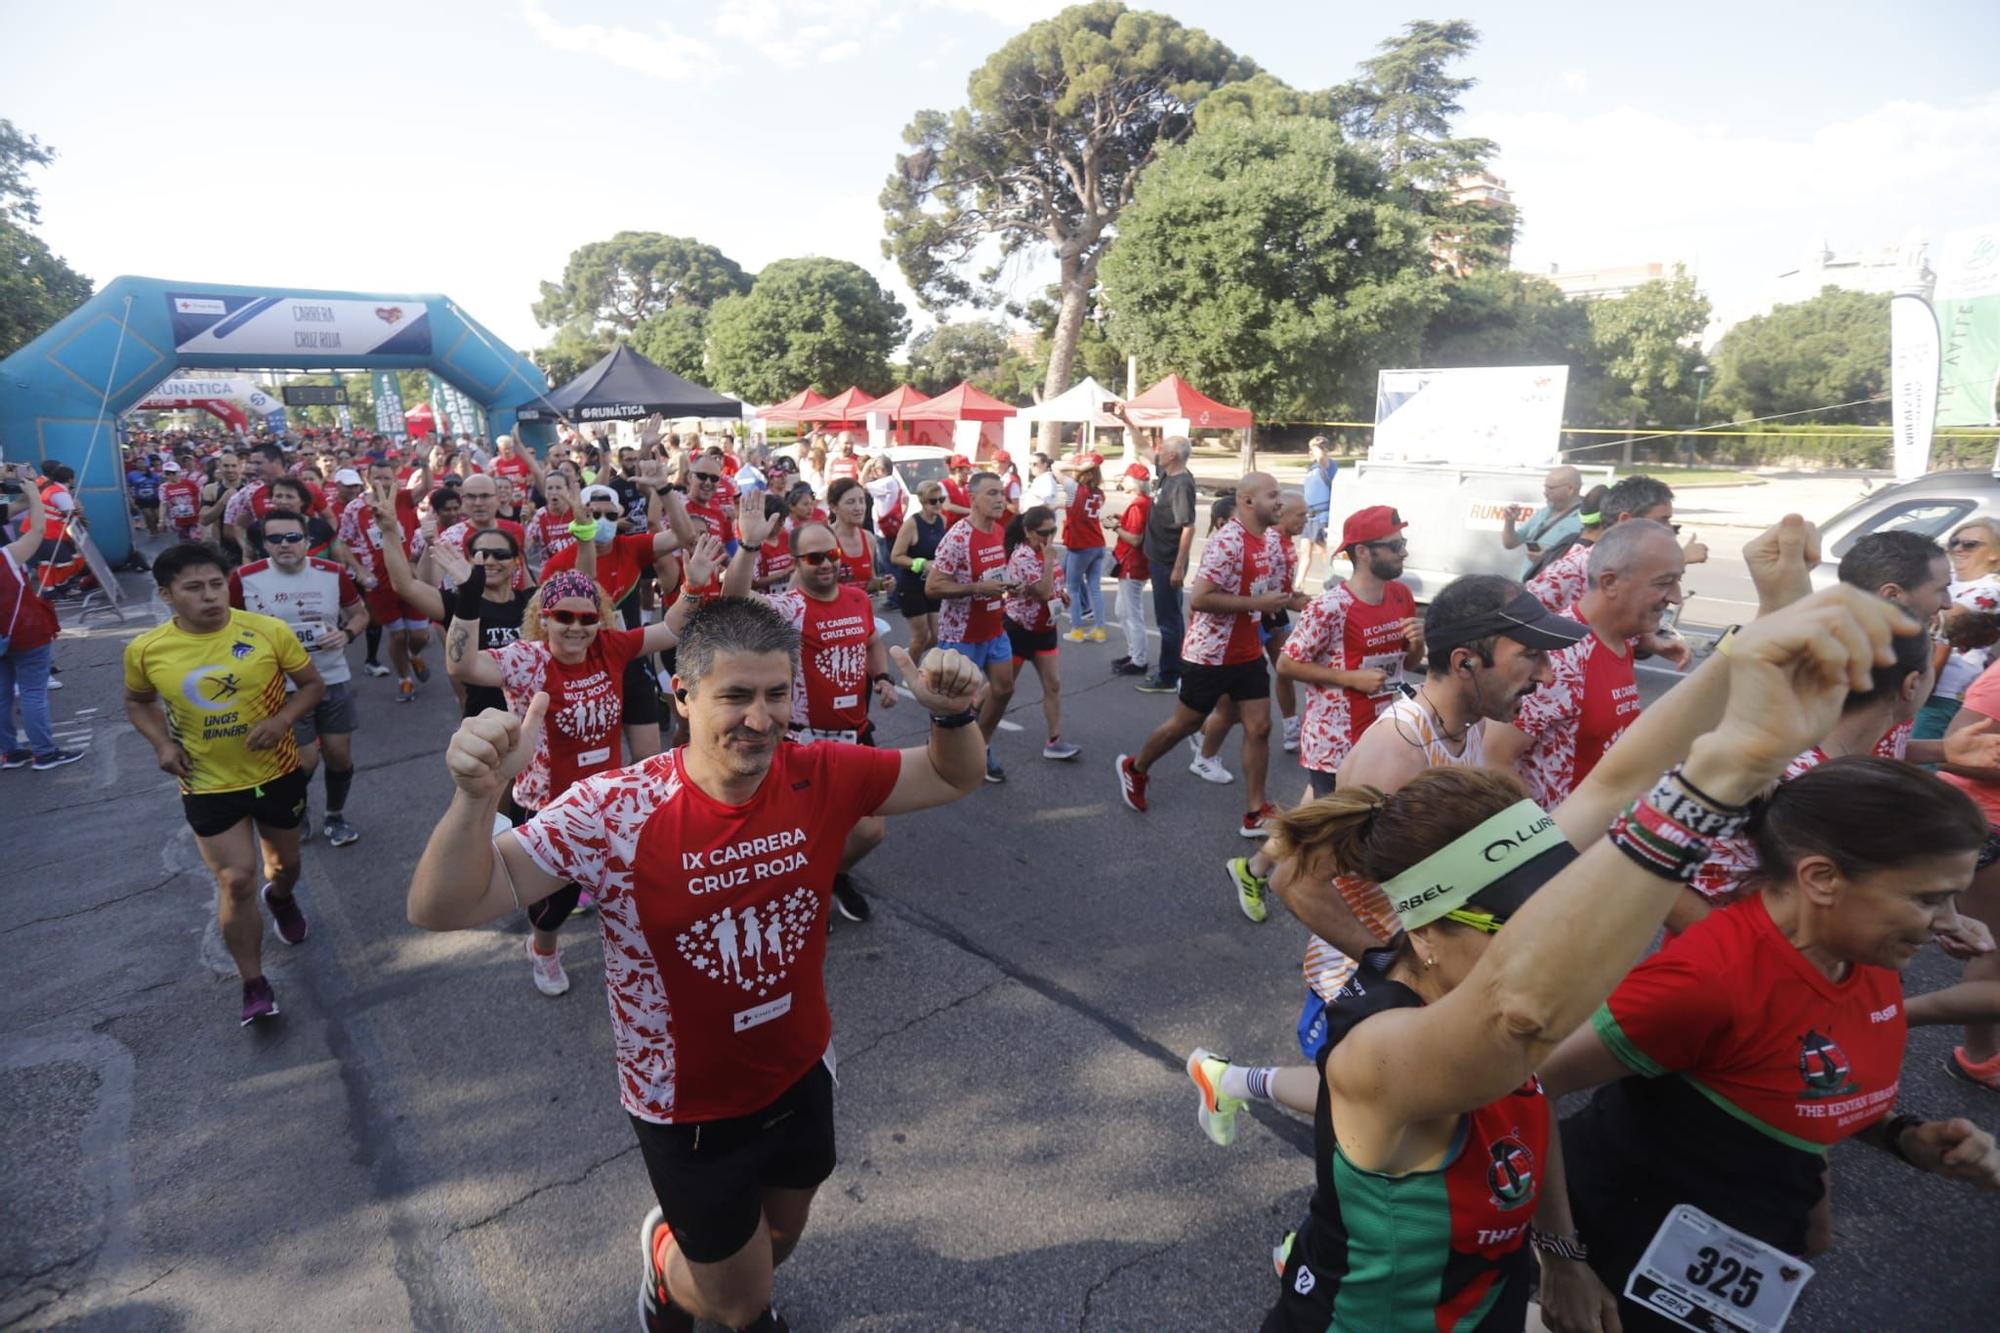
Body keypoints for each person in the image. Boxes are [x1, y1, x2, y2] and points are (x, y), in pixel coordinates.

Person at [1178, 576, 1919, 1331]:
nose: (1551, 940)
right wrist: (1724, 772)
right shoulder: (1381, 1048)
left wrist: (1742, 649)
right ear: (1421, 928)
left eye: (1553, 909)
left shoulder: (1464, 946)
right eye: (1514, 926)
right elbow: (1523, 1013)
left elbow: (1619, 781)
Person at [406, 601, 984, 1332]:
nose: (762, 717)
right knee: (740, 1303)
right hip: (687, 1105)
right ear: (682, 696)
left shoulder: (820, 770)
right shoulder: (614, 808)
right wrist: (476, 795)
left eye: (777, 693)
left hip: (802, 1067)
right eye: (735, 696)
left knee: (780, 1239)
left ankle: (708, 1266)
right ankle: (666, 1262)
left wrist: (955, 716)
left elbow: (947, 775)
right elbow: (441, 906)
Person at [1535, 756, 2000, 1333]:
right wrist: (1562, 1259)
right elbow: (1527, 1087)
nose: (1947, 923)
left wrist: (1906, 1138)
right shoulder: (1708, 983)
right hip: (1621, 1239)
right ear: (1822, 879)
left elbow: (1795, 1081)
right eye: (1930, 899)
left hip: (1751, 1241)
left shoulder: (1863, 952)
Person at [442, 554, 708, 997]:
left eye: (587, 618)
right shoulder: (528, 659)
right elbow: (463, 667)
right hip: (548, 805)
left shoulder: (611, 647)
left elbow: (671, 629)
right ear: (543, 620)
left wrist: (693, 588)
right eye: (563, 617)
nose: (576, 627)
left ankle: (639, 949)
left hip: (606, 799)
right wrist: (467, 602)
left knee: (634, 882)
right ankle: (543, 948)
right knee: (555, 902)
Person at [123, 543, 327, 1026]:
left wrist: (282, 721)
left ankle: (280, 899)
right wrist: (161, 744)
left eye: (216, 584)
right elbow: (137, 702)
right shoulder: (147, 650)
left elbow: (313, 685)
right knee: (235, 880)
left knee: (285, 866)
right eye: (194, 588)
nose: (210, 597)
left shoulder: (267, 631)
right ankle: (253, 983)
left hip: (275, 773)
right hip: (206, 783)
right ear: (166, 594)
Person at [723, 507, 899, 925]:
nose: (827, 564)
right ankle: (795, 896)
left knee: (871, 830)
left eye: (832, 554)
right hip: (803, 740)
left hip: (856, 735)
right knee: (794, 832)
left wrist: (883, 678)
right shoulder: (788, 608)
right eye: (814, 558)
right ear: (795, 563)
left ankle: (833, 875)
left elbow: (872, 641)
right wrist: (749, 545)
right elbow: (732, 598)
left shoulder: (857, 598)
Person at [1116, 473, 1305, 836]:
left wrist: (1304, 602)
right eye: (1272, 496)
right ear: (1248, 501)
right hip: (1210, 654)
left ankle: (1254, 812)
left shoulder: (1266, 541)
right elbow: (1201, 597)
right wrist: (1256, 603)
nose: (1279, 502)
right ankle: (1135, 768)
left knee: (1260, 727)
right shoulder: (1227, 542)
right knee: (1184, 724)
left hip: (1247, 651)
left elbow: (1271, 593)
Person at [1486, 518, 1685, 807]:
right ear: (1610, 582)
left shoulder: (1622, 638)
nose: (1676, 598)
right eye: (1664, 583)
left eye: (1679, 580)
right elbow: (1493, 757)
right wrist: (1546, 839)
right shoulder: (1558, 656)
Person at [230, 509, 370, 846]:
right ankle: (299, 809)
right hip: (281, 687)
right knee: (304, 760)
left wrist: (346, 634)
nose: (285, 545)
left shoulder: (332, 573)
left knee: (339, 756)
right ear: (264, 544)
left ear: (307, 540)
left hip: (331, 676)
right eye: (275, 539)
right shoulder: (244, 578)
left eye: (292, 537)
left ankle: (335, 816)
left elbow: (360, 614)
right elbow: (227, 629)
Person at [369, 484, 533, 718]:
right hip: (486, 725)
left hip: (535, 721)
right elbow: (405, 585)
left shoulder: (530, 603)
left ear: (515, 562)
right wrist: (389, 531)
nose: (490, 561)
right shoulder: (460, 605)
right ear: (468, 559)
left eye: (501, 555)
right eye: (481, 554)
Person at [925, 471, 1018, 783]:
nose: (999, 499)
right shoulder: (958, 537)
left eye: (1001, 493)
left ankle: (981, 746)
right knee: (955, 705)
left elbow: (997, 576)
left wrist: (1009, 586)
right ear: (973, 498)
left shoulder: (1000, 531)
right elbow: (934, 587)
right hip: (960, 632)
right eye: (991, 493)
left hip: (994, 627)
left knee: (1004, 688)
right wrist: (978, 587)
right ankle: (940, 754)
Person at [1528, 475, 1705, 615]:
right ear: (1626, 521)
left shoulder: (1631, 567)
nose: (1668, 531)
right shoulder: (1574, 569)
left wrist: (1649, 641)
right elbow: (1515, 617)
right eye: (1662, 521)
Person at [0, 468, 81, 769]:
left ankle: (8, 752)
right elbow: (36, 531)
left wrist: (21, 498)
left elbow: (13, 509)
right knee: (33, 693)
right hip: (24, 632)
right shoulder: (6, 555)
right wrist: (33, 493)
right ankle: (44, 753)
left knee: (2, 695)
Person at [338, 458, 434, 699]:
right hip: (379, 582)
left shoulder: (403, 498)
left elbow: (427, 486)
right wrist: (359, 570)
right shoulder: (355, 508)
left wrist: (424, 463)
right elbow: (342, 543)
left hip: (410, 577)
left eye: (387, 478)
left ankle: (415, 656)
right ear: (368, 478)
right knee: (398, 635)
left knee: (420, 635)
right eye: (377, 478)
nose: (382, 482)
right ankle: (404, 679)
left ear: (395, 479)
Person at [1000, 504, 1081, 761]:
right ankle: (971, 715)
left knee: (1053, 684)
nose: (1048, 538)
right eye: (1042, 532)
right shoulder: (1022, 556)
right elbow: (1043, 591)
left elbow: (1053, 587)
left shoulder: (1047, 552)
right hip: (1019, 630)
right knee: (1002, 688)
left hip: (1045, 628)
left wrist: (1062, 595)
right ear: (1028, 532)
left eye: (1052, 531)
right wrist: (1048, 562)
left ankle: (1054, 740)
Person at [1925, 518, 2000, 743]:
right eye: (1954, 542)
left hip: (1946, 692)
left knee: (1922, 764)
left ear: (1994, 553)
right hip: (1920, 682)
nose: (1958, 548)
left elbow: (1940, 622)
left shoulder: (1992, 589)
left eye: (1970, 544)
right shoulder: (1948, 581)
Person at [1137, 435, 1198, 694]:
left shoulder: (1181, 484)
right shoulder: (1166, 471)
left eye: (1163, 449)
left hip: (1167, 561)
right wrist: (1127, 420)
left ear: (1173, 455)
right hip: (1158, 558)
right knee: (1169, 617)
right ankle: (1175, 667)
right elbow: (1141, 447)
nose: (1157, 452)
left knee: (1168, 620)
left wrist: (1177, 566)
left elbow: (1188, 527)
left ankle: (1169, 675)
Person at [889, 479, 947, 665]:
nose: (938, 504)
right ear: (922, 501)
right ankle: (910, 672)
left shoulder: (941, 520)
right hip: (911, 585)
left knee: (937, 636)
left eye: (941, 499)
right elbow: (896, 556)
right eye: (933, 501)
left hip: (932, 584)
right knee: (921, 636)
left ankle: (909, 655)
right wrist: (921, 564)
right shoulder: (912, 524)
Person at [1055, 452, 1108, 641]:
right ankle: (1100, 629)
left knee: (1073, 587)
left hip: (1080, 543)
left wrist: (1077, 467)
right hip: (1098, 542)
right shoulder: (1100, 494)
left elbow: (1055, 468)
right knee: (1095, 587)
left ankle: (1077, 629)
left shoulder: (1074, 488)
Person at [1501, 464, 1584, 579]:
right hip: (1527, 587)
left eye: (1550, 488)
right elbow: (1510, 544)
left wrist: (1548, 558)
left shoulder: (1583, 520)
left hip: (1553, 590)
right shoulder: (1543, 512)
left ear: (1570, 489)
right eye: (1545, 487)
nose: (1545, 493)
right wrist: (1509, 522)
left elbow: (1582, 564)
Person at [1110, 463, 1152, 678]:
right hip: (1137, 564)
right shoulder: (1146, 503)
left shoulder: (1137, 506)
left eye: (1125, 477)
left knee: (1132, 614)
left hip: (1131, 564)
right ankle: (1134, 653)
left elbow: (1135, 539)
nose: (1122, 481)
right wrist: (1122, 521)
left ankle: (1139, 659)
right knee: (1123, 611)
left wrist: (1116, 527)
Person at [825, 478, 879, 593]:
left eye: (861, 501)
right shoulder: (825, 538)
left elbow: (869, 581)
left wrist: (882, 584)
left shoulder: (869, 538)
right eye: (850, 502)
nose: (858, 508)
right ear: (834, 507)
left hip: (862, 609)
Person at [1299, 436, 1337, 584]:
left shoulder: (1328, 465)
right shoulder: (1312, 469)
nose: (1312, 453)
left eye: (1314, 450)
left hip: (1322, 517)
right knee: (1305, 550)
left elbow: (1321, 457)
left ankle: (1332, 580)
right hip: (1310, 517)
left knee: (1323, 552)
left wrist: (1314, 444)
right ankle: (1298, 584)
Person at [159, 460, 204, 543]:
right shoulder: (163, 487)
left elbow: (199, 499)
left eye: (173, 473)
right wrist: (161, 521)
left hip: (194, 519)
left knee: (196, 541)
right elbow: (163, 504)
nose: (171, 475)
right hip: (177, 520)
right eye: (168, 473)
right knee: (184, 543)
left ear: (179, 472)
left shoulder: (190, 484)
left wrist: (202, 514)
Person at [128, 454, 163, 535]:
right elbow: (129, 486)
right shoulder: (132, 474)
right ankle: (152, 530)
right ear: (135, 464)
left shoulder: (153, 474)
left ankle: (155, 526)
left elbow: (159, 485)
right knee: (148, 515)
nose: (141, 464)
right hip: (142, 499)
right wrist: (131, 499)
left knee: (157, 516)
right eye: (138, 463)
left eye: (142, 462)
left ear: (146, 463)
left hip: (154, 497)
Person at [940, 453, 975, 519]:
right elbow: (947, 506)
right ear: (957, 470)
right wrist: (970, 511)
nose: (969, 472)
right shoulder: (943, 485)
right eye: (967, 469)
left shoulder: (968, 486)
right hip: (950, 527)